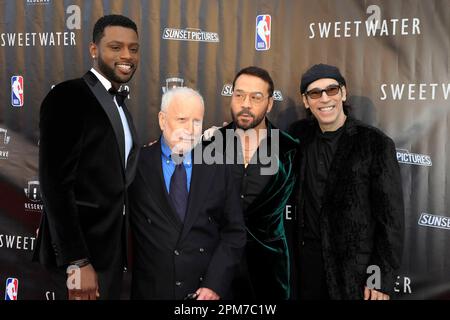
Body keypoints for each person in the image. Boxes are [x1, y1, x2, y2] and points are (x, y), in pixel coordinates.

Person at [33, 14, 140, 300]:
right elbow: (55, 184)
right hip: (81, 260)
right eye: (115, 47)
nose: (126, 55)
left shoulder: (120, 106)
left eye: (133, 48)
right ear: (94, 50)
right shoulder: (68, 97)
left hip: (111, 256)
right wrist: (77, 260)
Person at [288, 63, 404, 300]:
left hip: (354, 274)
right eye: (314, 93)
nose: (324, 98)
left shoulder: (374, 143)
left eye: (331, 90)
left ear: (343, 93)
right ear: (305, 100)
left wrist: (378, 279)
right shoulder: (296, 136)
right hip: (305, 269)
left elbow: (390, 220)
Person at [129, 87, 246, 300]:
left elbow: (234, 232)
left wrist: (214, 284)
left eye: (197, 121)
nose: (190, 129)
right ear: (162, 120)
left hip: (203, 293)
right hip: (151, 291)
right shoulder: (137, 164)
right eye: (182, 119)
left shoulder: (219, 165)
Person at [213, 66, 299, 300]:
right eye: (239, 95)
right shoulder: (210, 145)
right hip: (218, 272)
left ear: (270, 104)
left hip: (269, 274)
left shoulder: (290, 150)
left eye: (256, 97)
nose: (246, 104)